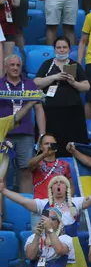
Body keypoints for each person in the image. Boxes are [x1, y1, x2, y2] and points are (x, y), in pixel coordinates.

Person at [33, 37, 89, 156]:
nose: (61, 50)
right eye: (59, 47)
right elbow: (36, 82)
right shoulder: (47, 64)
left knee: (72, 144)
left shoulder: (75, 65)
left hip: (72, 112)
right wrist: (55, 77)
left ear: (69, 49)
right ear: (54, 49)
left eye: (64, 47)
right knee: (52, 146)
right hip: (50, 112)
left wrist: (74, 82)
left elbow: (86, 86)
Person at [0, 53, 44, 194]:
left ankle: (25, 211)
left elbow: (38, 109)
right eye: (12, 65)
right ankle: (2, 211)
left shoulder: (30, 84)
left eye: (18, 65)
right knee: (2, 172)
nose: (15, 68)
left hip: (26, 134)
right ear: (5, 67)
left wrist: (42, 134)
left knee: (26, 171)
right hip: (3, 134)